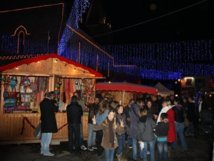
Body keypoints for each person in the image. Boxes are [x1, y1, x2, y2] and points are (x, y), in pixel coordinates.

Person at [40, 92, 58, 156]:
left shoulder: (41, 103)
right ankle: (46, 151)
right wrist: (56, 104)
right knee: (48, 137)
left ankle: (42, 150)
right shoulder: (50, 103)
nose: (53, 97)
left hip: (44, 121)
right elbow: (56, 110)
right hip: (50, 122)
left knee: (43, 137)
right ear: (50, 96)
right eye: (52, 96)